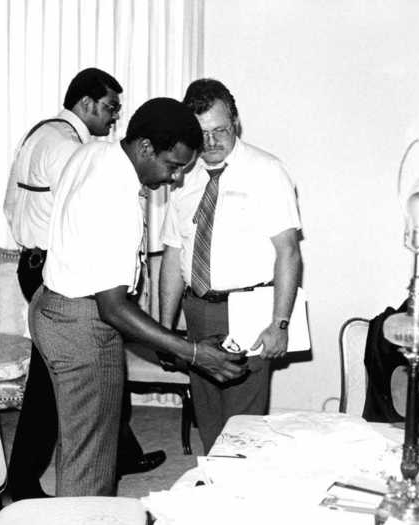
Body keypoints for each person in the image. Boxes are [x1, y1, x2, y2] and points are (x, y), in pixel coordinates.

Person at [30, 97, 249, 496]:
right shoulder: (116, 195)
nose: (176, 179)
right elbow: (112, 307)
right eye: (173, 165)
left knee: (83, 441)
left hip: (54, 307)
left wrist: (173, 344)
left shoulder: (95, 151)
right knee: (91, 459)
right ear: (145, 147)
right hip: (83, 325)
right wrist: (193, 352)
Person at [3, 68, 164, 501]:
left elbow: (11, 202)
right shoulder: (70, 148)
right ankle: (23, 484)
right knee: (54, 395)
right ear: (87, 103)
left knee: (68, 389)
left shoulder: (42, 135)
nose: (114, 119)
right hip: (60, 275)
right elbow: (85, 222)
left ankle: (115, 453)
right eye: (110, 107)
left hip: (40, 264)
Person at [158, 79, 303, 453]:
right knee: (208, 421)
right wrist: (165, 328)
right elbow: (174, 255)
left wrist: (280, 324)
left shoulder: (267, 171)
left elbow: (288, 252)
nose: (210, 142)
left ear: (235, 123)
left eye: (219, 130)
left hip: (246, 312)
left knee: (242, 431)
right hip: (197, 308)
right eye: (201, 133)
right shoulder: (181, 175)